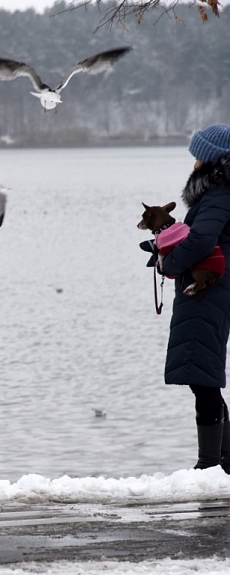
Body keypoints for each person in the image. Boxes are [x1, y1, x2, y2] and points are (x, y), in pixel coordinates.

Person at [158, 124, 230, 472]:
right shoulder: (215, 192)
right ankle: (223, 460)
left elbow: (202, 241)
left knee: (203, 377)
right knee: (203, 374)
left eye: (200, 155)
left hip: (208, 291)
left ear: (213, 158)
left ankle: (209, 465)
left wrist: (170, 262)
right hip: (205, 289)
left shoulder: (219, 193)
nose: (195, 160)